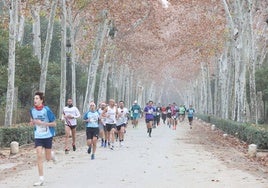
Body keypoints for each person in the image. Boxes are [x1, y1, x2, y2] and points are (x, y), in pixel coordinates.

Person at [29, 91, 57, 186]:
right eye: (34, 98)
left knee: (48, 158)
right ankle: (41, 179)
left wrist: (43, 123)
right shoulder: (32, 110)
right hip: (38, 136)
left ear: (41, 100)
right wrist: (32, 122)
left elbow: (54, 123)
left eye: (37, 98)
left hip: (48, 135)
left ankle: (52, 155)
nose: (35, 100)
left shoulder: (47, 110)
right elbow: (32, 120)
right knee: (39, 155)